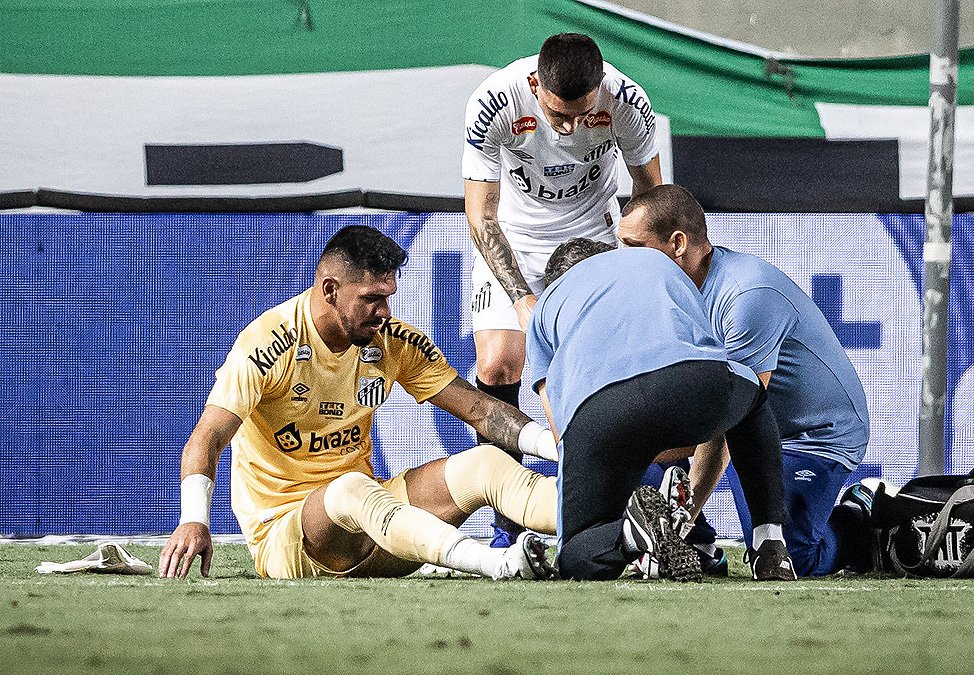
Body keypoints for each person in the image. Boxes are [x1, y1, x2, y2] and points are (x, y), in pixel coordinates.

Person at [158, 226, 560, 581]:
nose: (384, 312)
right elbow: (206, 437)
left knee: (485, 463)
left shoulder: (391, 340)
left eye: (388, 298)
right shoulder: (269, 342)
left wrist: (556, 447)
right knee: (350, 488)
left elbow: (481, 410)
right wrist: (194, 518)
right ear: (330, 290)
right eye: (371, 298)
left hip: (377, 528)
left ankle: (613, 527)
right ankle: (495, 563)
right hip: (291, 539)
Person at [462, 32, 663, 545]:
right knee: (499, 362)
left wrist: (642, 274)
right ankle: (507, 519)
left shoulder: (629, 102)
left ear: (600, 85)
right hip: (513, 238)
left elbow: (650, 197)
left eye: (583, 114)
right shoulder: (493, 101)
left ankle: (635, 508)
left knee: (614, 362)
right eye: (559, 116)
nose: (572, 128)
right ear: (535, 84)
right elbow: (481, 214)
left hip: (593, 233)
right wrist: (522, 297)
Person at [616, 184, 871, 576]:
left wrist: (677, 521)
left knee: (795, 558)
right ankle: (699, 546)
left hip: (813, 437)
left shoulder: (746, 296)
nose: (621, 259)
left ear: (678, 244)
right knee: (628, 448)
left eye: (633, 245)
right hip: (741, 426)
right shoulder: (663, 293)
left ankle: (861, 516)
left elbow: (731, 422)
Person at [527, 239, 796, 582]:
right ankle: (769, 542)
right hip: (690, 380)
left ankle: (629, 533)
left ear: (554, 283)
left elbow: (558, 424)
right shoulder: (654, 262)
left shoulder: (546, 306)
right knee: (753, 397)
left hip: (598, 409)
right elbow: (704, 342)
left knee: (577, 555)